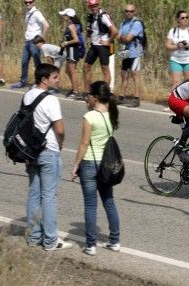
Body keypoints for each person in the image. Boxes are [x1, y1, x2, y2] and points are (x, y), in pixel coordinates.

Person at [24, 64, 72, 250]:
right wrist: (60, 145)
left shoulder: (28, 95)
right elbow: (59, 129)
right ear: (45, 79)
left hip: (31, 152)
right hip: (48, 151)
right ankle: (51, 240)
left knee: (34, 194)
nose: (58, 80)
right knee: (49, 196)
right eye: (55, 77)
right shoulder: (50, 100)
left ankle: (34, 237)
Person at [71, 81, 121, 256]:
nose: (87, 99)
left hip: (90, 163)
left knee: (90, 204)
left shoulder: (90, 117)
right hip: (106, 164)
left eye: (89, 96)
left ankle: (91, 245)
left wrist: (76, 164)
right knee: (109, 200)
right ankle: (115, 240)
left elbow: (84, 143)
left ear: (96, 97)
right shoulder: (112, 115)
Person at [11, 0, 49, 89]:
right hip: (27, 41)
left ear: (34, 2)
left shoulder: (36, 13)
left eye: (30, 2)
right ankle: (23, 81)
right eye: (26, 2)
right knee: (24, 62)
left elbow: (46, 25)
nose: (28, 4)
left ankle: (39, 83)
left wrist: (41, 39)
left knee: (37, 63)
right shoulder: (27, 12)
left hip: (34, 42)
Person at [84, 0, 118, 91]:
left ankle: (105, 93)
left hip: (103, 46)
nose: (93, 7)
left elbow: (115, 31)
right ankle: (88, 92)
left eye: (95, 5)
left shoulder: (103, 16)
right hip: (94, 46)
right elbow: (90, 30)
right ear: (89, 7)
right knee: (86, 67)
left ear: (98, 5)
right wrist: (88, 38)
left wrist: (109, 41)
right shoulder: (91, 16)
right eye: (91, 6)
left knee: (105, 69)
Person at [117, 3, 145, 107]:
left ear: (134, 12)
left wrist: (123, 38)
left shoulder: (136, 23)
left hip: (135, 52)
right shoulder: (123, 22)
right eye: (127, 11)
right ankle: (121, 96)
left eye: (131, 11)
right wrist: (123, 38)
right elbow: (119, 37)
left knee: (135, 74)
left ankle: (136, 98)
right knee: (124, 74)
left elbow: (126, 38)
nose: (128, 13)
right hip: (126, 52)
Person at [165, 10, 189, 87]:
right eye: (183, 18)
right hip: (175, 60)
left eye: (187, 17)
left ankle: (187, 99)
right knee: (176, 83)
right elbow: (167, 46)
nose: (185, 19)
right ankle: (176, 99)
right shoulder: (173, 31)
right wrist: (177, 46)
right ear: (178, 19)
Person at [58, 8, 83, 100]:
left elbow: (76, 39)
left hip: (73, 50)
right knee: (67, 71)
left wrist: (66, 43)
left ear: (68, 16)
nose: (63, 16)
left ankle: (76, 92)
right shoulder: (72, 25)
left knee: (72, 71)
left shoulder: (71, 26)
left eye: (64, 15)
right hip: (71, 50)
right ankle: (74, 89)